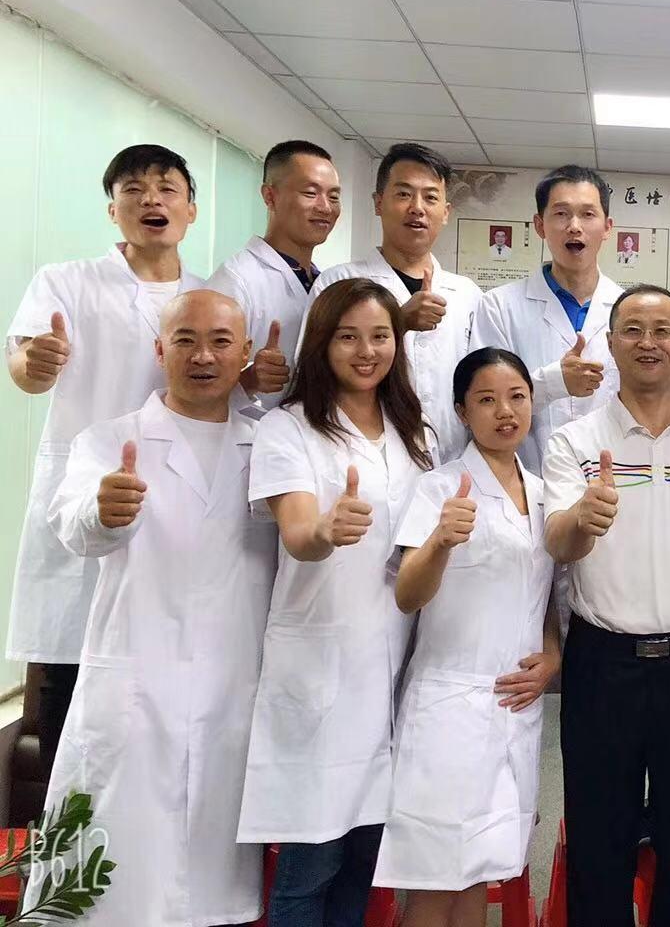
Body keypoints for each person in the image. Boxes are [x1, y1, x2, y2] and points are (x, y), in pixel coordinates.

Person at [30, 291, 275, 926]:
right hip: (134, 684)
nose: (203, 356)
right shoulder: (109, 440)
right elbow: (74, 526)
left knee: (211, 890)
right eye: (185, 339)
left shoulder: (270, 446)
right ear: (160, 349)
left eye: (221, 341)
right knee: (107, 882)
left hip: (231, 691)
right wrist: (104, 512)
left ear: (246, 353)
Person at [543, 284, 670, 927]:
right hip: (604, 662)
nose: (647, 343)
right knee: (599, 839)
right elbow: (558, 541)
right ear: (611, 342)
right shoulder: (574, 441)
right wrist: (583, 518)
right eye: (632, 330)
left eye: (662, 331)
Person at [239, 277, 434, 927]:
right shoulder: (288, 428)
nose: (366, 351)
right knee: (311, 863)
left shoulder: (414, 431)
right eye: (347, 337)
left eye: (380, 336)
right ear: (320, 343)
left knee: (361, 862)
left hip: (393, 665)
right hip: (320, 669)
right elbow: (298, 534)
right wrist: (325, 529)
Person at [5, 143, 204, 753]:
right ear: (112, 210)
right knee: (72, 665)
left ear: (191, 210)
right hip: (85, 492)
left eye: (167, 189)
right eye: (133, 190)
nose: (151, 200)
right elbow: (26, 367)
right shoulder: (66, 282)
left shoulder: (206, 296)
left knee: (161, 665)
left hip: (174, 499)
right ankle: (65, 812)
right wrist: (37, 363)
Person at [375, 348, 559, 924]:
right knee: (434, 881)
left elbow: (543, 593)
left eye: (516, 397)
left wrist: (552, 654)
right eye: (486, 400)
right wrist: (439, 542)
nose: (505, 411)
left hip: (515, 706)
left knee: (479, 874)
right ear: (461, 411)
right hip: (450, 706)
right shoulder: (440, 488)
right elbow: (408, 594)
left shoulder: (543, 491)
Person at [305, 142, 479, 462]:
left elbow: (480, 384)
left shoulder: (467, 294)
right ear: (378, 202)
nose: (417, 208)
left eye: (430, 197)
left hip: (452, 464)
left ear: (445, 213)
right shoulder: (337, 283)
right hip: (359, 458)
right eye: (403, 194)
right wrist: (397, 322)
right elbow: (312, 374)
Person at [478, 165, 623, 473]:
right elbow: (484, 399)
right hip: (528, 480)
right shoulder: (499, 307)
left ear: (607, 227)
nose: (574, 226)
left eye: (587, 214)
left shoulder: (627, 311)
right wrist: (554, 381)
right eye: (561, 214)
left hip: (613, 481)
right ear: (540, 225)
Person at [208, 140, 343, 409]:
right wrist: (249, 380)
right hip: (249, 432)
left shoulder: (325, 283)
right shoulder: (236, 280)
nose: (325, 207)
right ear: (270, 196)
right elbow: (199, 383)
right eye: (310, 193)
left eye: (334, 197)